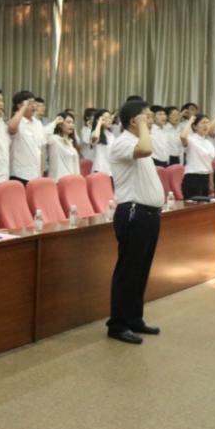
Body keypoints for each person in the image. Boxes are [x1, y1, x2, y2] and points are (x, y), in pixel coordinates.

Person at [106, 100, 163, 345]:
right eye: (146, 116)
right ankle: (117, 324)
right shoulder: (123, 143)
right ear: (133, 121)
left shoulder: (138, 141)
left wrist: (143, 127)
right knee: (128, 271)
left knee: (141, 270)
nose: (151, 120)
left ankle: (134, 318)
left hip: (148, 215)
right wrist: (142, 126)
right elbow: (146, 150)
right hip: (133, 214)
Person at [8, 90, 45, 183]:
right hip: (20, 174)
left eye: (34, 103)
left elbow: (40, 150)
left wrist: (41, 173)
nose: (33, 106)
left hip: (36, 175)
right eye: (30, 103)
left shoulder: (38, 123)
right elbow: (11, 127)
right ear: (19, 105)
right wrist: (23, 107)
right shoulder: (17, 122)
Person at [179, 114, 214, 199]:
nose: (206, 125)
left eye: (208, 122)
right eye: (203, 122)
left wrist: (211, 182)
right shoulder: (191, 139)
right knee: (193, 205)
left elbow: (209, 164)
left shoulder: (209, 143)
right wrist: (190, 121)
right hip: (193, 178)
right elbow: (183, 136)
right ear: (194, 126)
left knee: (204, 205)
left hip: (205, 178)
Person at [46, 112, 81, 181]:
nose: (71, 125)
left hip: (71, 181)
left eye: (72, 123)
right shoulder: (54, 139)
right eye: (68, 122)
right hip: (58, 181)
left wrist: (78, 180)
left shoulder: (71, 141)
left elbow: (75, 166)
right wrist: (55, 122)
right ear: (60, 125)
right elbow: (42, 135)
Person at [91, 109, 115, 174]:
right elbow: (95, 136)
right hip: (99, 169)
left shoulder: (111, 135)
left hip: (110, 170)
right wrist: (99, 123)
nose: (109, 120)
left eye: (110, 118)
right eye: (106, 118)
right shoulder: (95, 133)